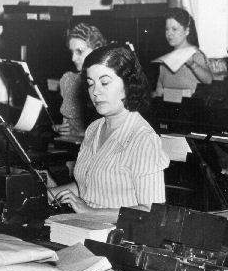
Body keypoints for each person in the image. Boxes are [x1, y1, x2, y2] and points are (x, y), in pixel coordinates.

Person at [49, 44, 169, 215]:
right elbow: (88, 185)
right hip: (83, 227)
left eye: (105, 82)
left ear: (128, 84)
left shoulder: (143, 138)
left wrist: (90, 211)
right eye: (91, 84)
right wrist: (49, 194)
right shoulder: (94, 128)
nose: (95, 91)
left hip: (118, 236)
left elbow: (151, 211)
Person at [56, 23, 107, 139]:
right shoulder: (68, 80)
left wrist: (81, 134)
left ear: (96, 50)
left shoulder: (109, 83)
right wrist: (60, 128)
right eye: (72, 52)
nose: (73, 58)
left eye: (79, 51)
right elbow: (66, 124)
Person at [152, 8, 213, 97]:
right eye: (167, 29)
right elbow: (159, 91)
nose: (169, 33)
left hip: (192, 109)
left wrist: (192, 64)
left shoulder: (196, 55)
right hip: (168, 109)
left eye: (174, 29)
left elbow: (209, 80)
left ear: (187, 31)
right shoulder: (165, 61)